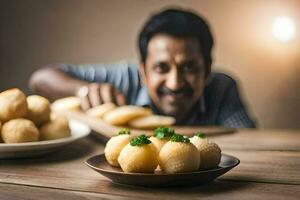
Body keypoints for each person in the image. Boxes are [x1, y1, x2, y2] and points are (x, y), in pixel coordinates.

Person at [29, 8, 256, 128]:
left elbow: (252, 146)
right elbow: (41, 78)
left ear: (207, 70)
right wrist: (81, 90)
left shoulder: (222, 87)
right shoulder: (123, 79)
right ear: (143, 72)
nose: (175, 83)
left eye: (188, 67)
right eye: (161, 68)